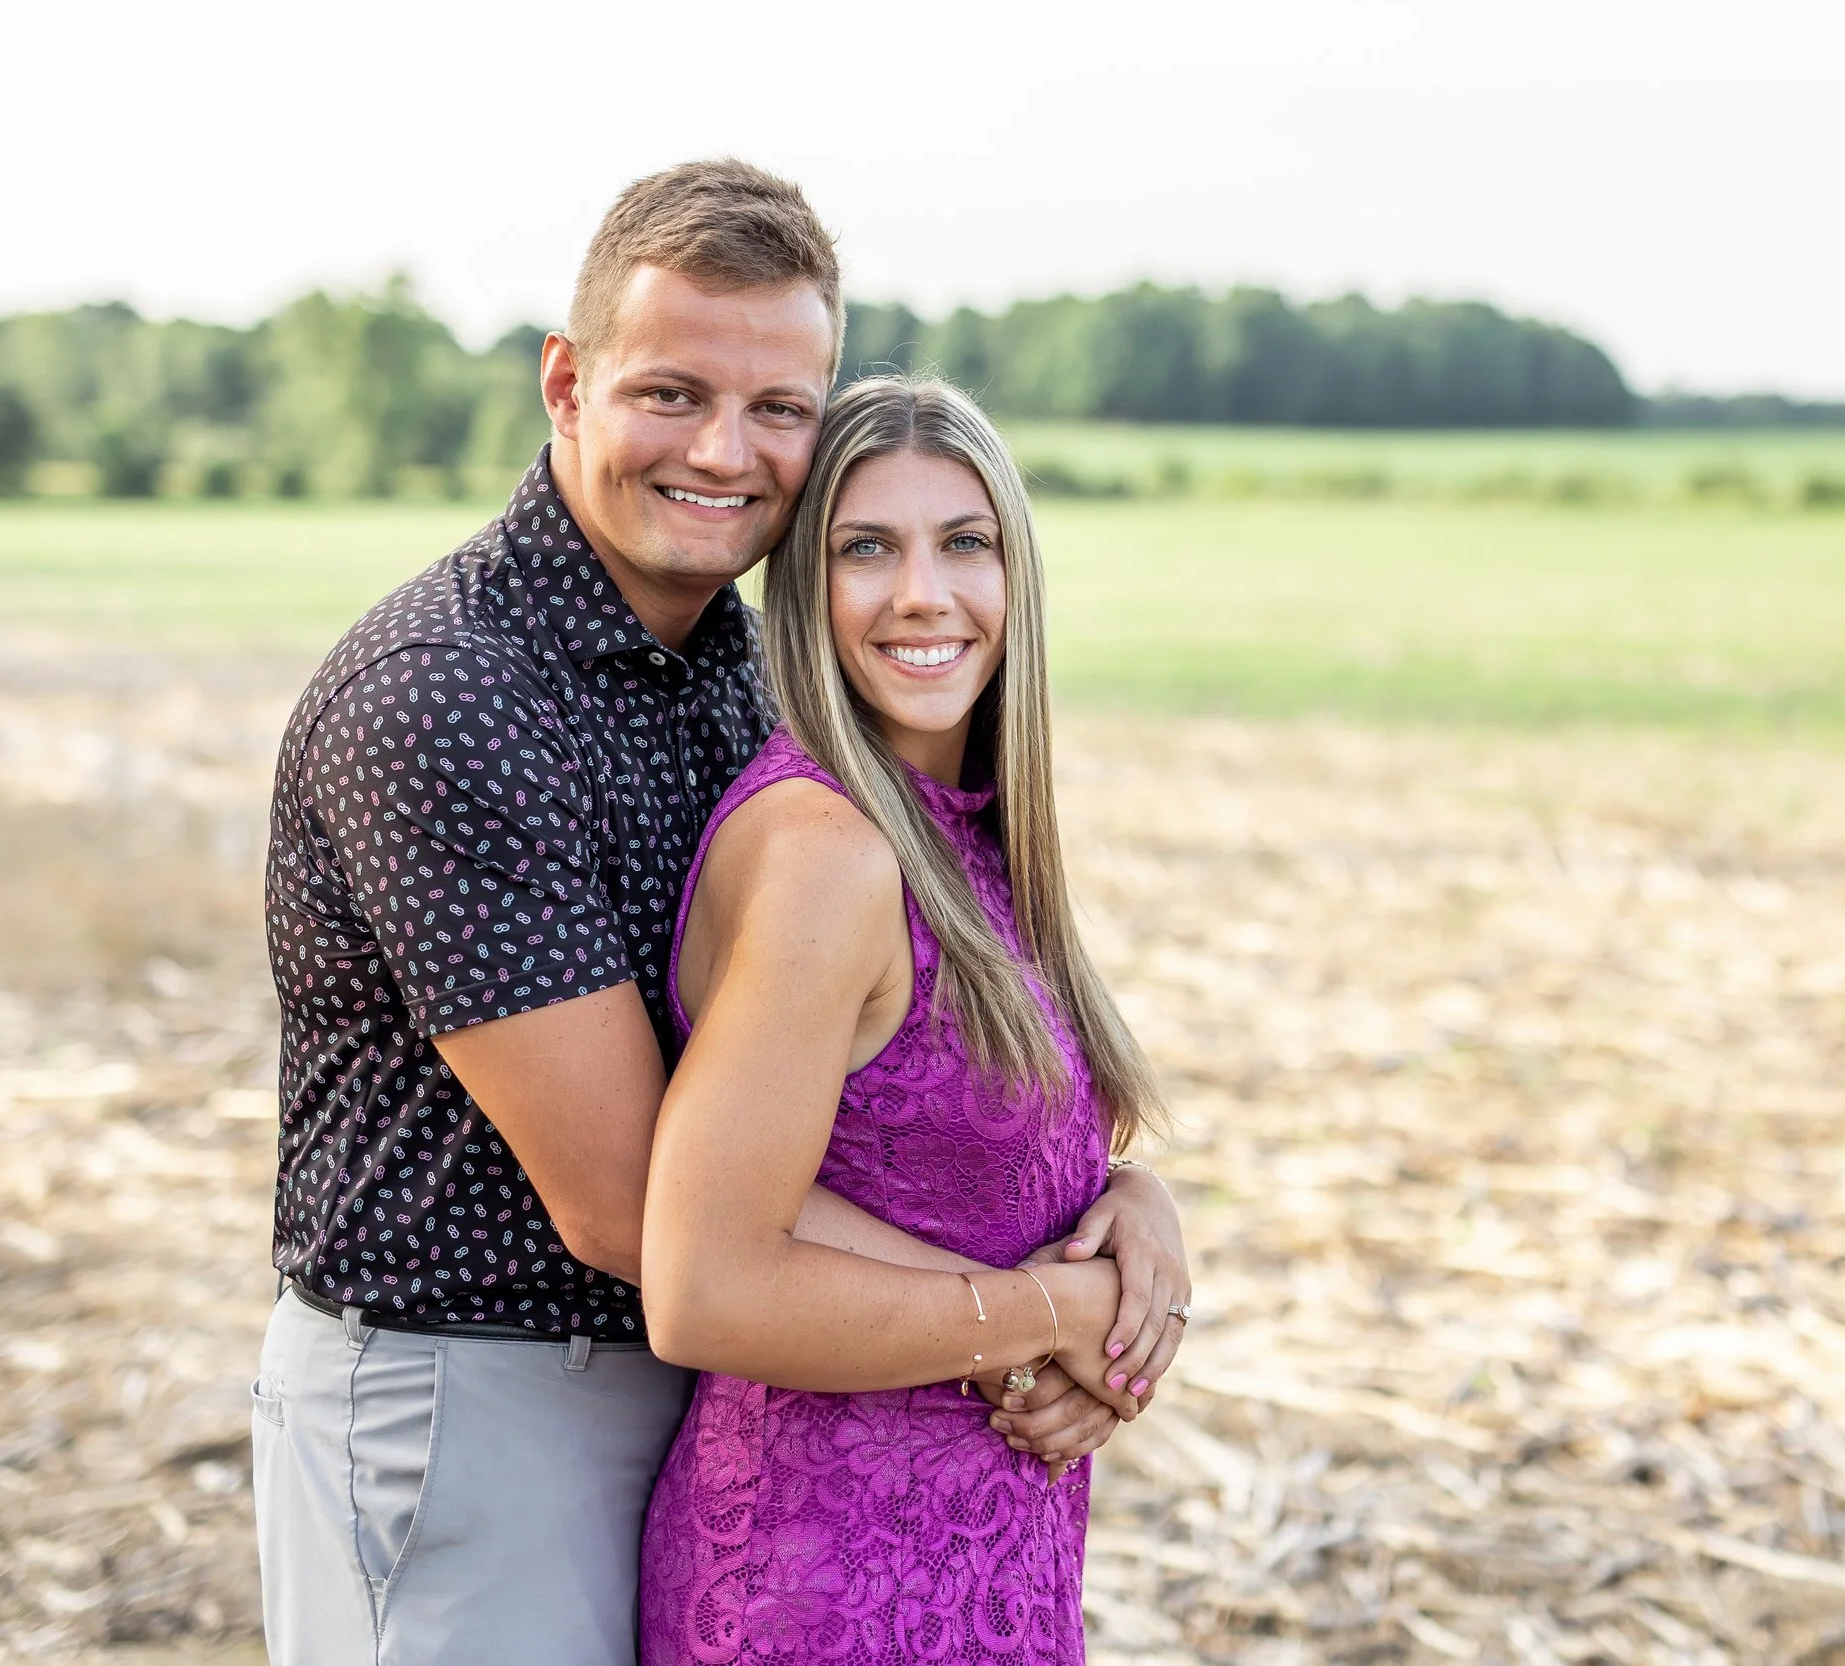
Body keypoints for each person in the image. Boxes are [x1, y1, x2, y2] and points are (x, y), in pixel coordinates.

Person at [251, 161, 1189, 1666]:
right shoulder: (444, 698)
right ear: (566, 385)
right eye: (672, 392)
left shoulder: (748, 673)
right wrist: (1036, 1306)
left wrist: (1117, 1221)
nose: (726, 452)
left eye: (778, 408)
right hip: (472, 1406)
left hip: (722, 1393)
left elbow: (855, 1105)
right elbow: (650, 1207)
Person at [637, 376, 1173, 1666]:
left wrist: (1131, 1200)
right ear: (803, 592)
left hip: (983, 1560)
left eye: (965, 543)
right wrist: (1051, 1314)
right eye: (864, 547)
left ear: (1016, 577)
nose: (922, 594)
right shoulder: (829, 853)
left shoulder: (967, 834)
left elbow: (937, 1165)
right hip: (823, 1586)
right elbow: (705, 1285)